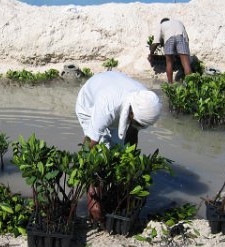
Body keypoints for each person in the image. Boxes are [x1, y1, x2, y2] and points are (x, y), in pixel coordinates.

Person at [75, 70, 162, 225]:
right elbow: (89, 143)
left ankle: (104, 187)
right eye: (137, 122)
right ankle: (93, 194)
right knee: (101, 150)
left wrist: (129, 168)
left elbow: (132, 133)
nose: (137, 126)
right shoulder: (107, 107)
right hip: (90, 103)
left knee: (116, 150)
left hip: (115, 93)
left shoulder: (143, 100)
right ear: (131, 114)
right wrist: (91, 194)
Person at [148, 18, 192, 84]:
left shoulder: (161, 25)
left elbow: (155, 43)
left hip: (169, 39)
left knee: (169, 63)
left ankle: (170, 84)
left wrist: (151, 54)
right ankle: (190, 85)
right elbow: (186, 38)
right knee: (186, 64)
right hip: (181, 36)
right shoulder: (178, 21)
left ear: (162, 22)